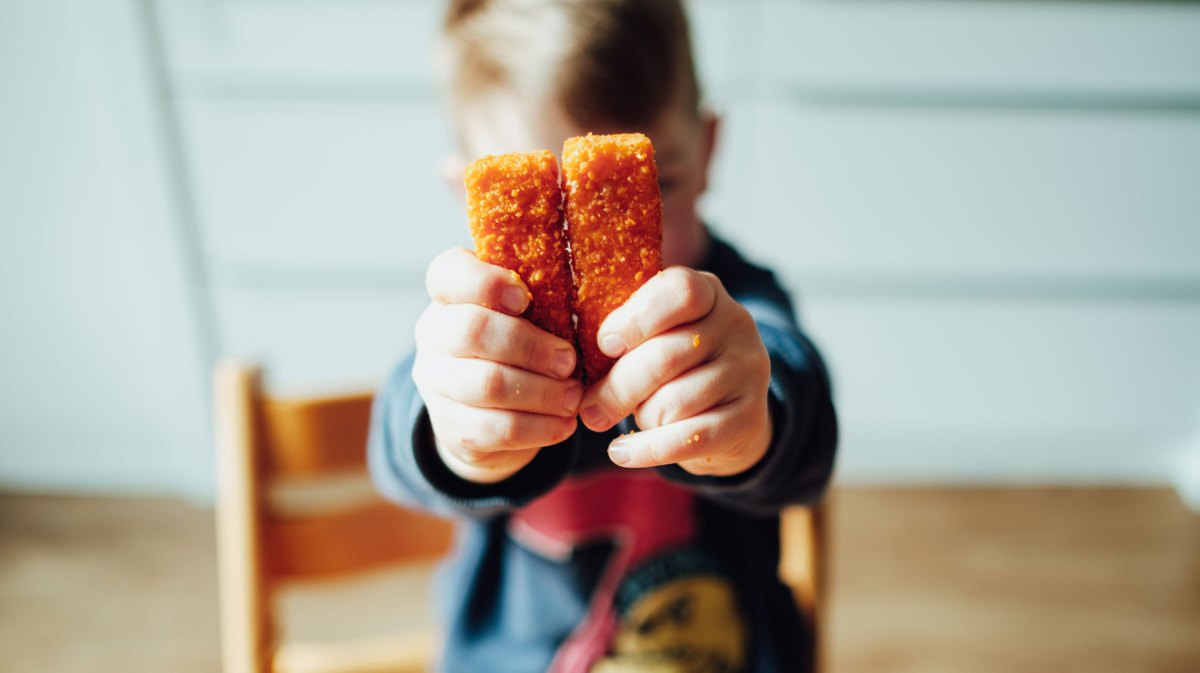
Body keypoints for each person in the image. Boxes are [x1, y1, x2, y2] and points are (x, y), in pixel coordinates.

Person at [368, 1, 837, 671]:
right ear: (468, 195)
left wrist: (748, 419)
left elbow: (803, 411)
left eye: (657, 186)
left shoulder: (735, 303)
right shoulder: (482, 323)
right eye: (553, 206)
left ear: (706, 153)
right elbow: (398, 436)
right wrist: (461, 439)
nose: (594, 252)